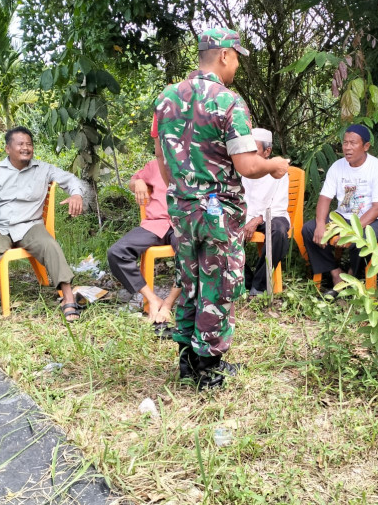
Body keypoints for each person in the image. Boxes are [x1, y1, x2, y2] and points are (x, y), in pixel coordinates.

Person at [155, 27, 289, 389]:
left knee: (190, 280)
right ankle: (208, 367)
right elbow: (247, 165)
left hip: (182, 209)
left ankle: (186, 360)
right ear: (224, 55)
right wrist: (274, 164)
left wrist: (185, 187)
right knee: (218, 285)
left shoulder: (166, 99)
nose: (236, 69)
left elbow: (163, 162)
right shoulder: (229, 101)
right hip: (217, 213)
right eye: (236, 61)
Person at [0, 127, 85, 339]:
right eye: (20, 144)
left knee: (50, 245)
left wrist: (76, 194)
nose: (26, 148)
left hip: (30, 225)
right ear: (7, 148)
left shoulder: (43, 169)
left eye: (29, 144)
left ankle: (68, 298)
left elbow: (70, 179)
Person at [302, 124, 378, 298]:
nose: (347, 147)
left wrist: (352, 232)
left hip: (372, 220)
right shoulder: (337, 166)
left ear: (366, 146)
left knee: (364, 238)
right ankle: (336, 275)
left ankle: (352, 277)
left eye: (353, 143)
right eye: (345, 143)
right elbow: (325, 198)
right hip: (342, 217)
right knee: (309, 229)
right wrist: (321, 224)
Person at [106, 158, 182, 337]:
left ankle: (168, 304)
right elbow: (133, 181)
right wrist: (138, 182)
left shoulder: (194, 159)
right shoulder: (155, 164)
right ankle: (152, 299)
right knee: (116, 253)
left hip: (183, 224)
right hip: (154, 224)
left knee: (191, 254)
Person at [242, 128, 290, 296]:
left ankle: (259, 285)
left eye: (253, 150)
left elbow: (278, 204)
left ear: (267, 151)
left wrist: (257, 219)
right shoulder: (241, 169)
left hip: (273, 216)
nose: (248, 154)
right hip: (244, 216)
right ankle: (245, 280)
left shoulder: (278, 172)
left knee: (279, 231)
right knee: (221, 230)